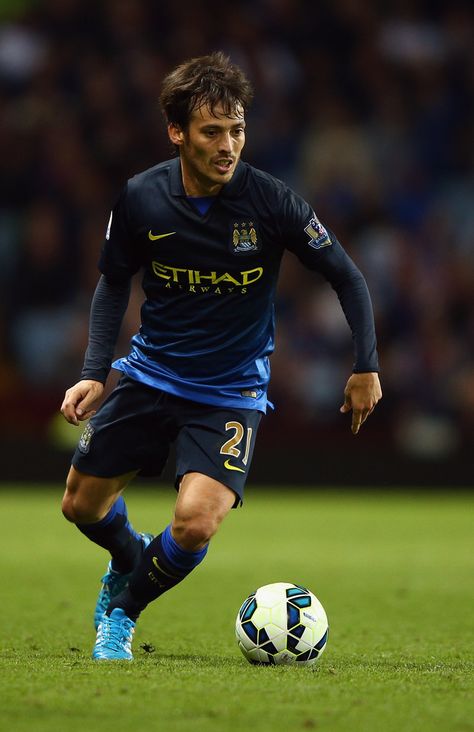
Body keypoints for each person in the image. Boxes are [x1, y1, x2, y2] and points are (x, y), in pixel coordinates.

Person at [60, 51, 382, 661]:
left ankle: (122, 614)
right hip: (151, 373)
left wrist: (365, 364)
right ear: (177, 133)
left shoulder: (272, 202)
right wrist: (92, 374)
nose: (228, 144)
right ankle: (130, 558)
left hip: (229, 391)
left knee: (196, 522)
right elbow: (111, 283)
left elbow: (348, 276)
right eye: (212, 131)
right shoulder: (140, 198)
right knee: (79, 503)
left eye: (237, 129)